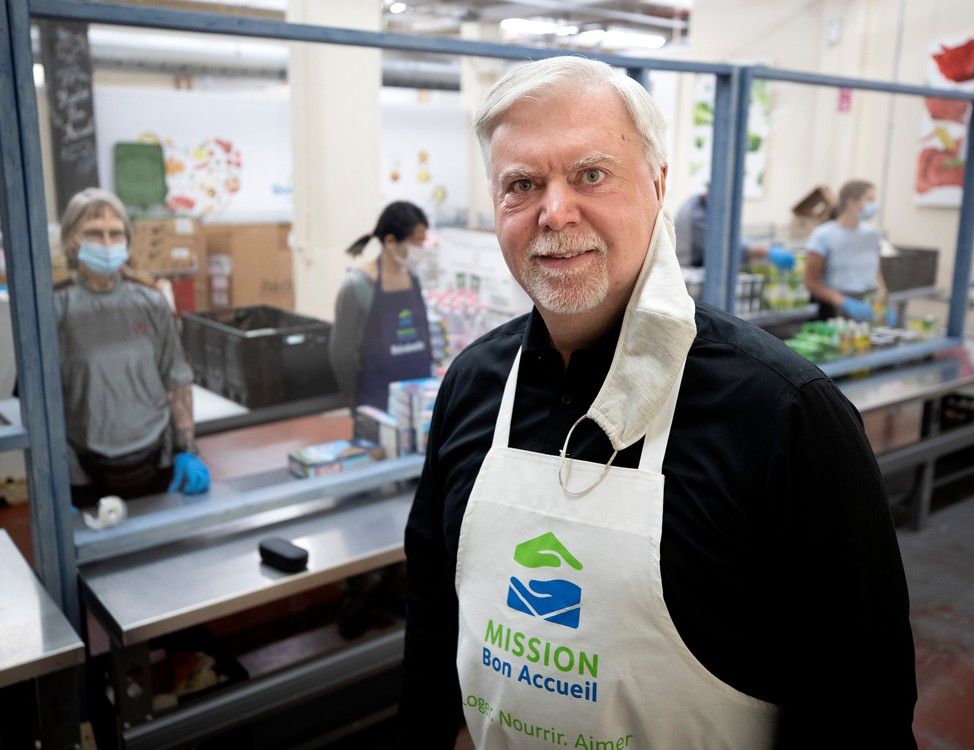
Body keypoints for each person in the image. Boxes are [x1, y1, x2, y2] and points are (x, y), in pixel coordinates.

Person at [400, 57, 916, 748]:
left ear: (658, 184)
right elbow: (434, 617)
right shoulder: (473, 385)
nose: (555, 212)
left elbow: (861, 712)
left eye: (590, 174)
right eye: (522, 185)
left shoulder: (783, 415)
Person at [57, 188, 210, 506]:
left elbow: (177, 380)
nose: (107, 243)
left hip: (155, 459)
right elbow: (43, 402)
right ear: (72, 239)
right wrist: (53, 472)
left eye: (115, 234)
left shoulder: (150, 301)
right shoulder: (55, 308)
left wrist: (187, 450)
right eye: (94, 234)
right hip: (85, 469)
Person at [328, 201, 433, 412]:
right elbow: (342, 354)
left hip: (419, 399)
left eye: (423, 243)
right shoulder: (357, 286)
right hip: (374, 401)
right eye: (415, 243)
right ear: (391, 241)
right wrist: (354, 400)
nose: (420, 250)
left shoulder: (413, 278)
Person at [804, 179, 893, 322]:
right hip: (834, 309)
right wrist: (844, 302)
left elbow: (875, 273)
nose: (874, 206)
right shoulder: (823, 235)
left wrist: (882, 305)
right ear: (851, 201)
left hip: (867, 304)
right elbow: (811, 281)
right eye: (869, 199)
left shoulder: (872, 234)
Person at [674, 189, 795, 269]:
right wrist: (767, 252)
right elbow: (726, 247)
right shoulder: (695, 215)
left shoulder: (700, 203)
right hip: (689, 271)